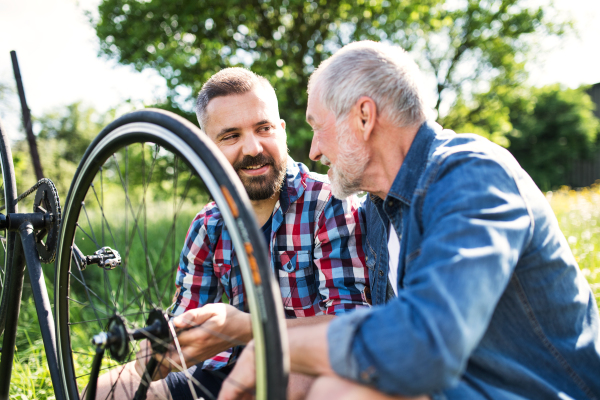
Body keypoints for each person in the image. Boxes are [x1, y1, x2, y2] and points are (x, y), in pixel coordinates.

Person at [218, 41, 600, 400]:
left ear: (363, 117)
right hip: (454, 385)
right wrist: (264, 341)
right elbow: (373, 332)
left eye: (318, 127)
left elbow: (427, 344)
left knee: (336, 392)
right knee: (297, 379)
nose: (314, 150)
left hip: (537, 391)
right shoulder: (379, 209)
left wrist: (277, 345)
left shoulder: (471, 175)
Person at [95, 68, 369, 400]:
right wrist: (164, 346)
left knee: (291, 383)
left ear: (281, 132)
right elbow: (187, 319)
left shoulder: (329, 203)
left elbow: (352, 324)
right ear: (208, 152)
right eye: (231, 136)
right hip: (227, 369)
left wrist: (247, 328)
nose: (253, 148)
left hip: (304, 368)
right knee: (105, 390)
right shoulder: (208, 225)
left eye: (263, 128)